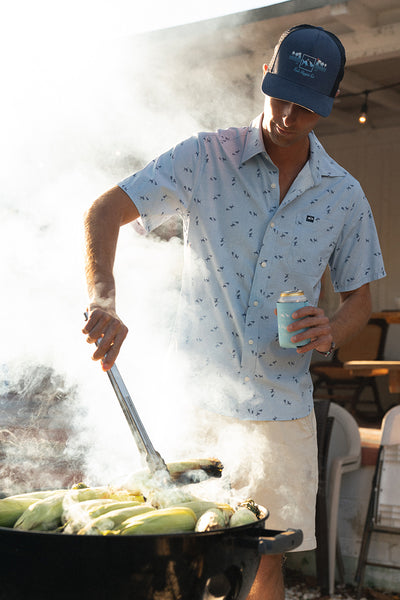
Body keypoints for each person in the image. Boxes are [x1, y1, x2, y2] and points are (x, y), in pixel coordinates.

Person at [82, 24, 385, 600]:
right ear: (267, 75)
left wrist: (331, 331)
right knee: (180, 560)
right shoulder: (204, 157)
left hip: (281, 409)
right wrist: (104, 298)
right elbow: (103, 212)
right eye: (280, 95)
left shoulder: (343, 195)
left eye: (305, 106)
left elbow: (359, 302)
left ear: (329, 105)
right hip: (195, 404)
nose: (287, 115)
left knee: (266, 559)